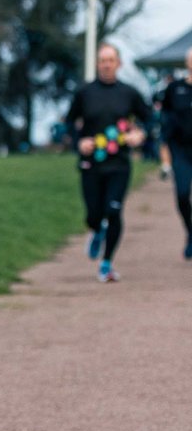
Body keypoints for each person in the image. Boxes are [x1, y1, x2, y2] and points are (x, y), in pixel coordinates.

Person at [66, 43, 151, 282]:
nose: (106, 65)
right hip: (91, 164)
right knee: (94, 214)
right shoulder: (84, 93)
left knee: (113, 211)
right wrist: (79, 142)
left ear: (118, 64)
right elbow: (69, 122)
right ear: (97, 64)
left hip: (119, 163)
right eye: (102, 60)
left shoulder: (129, 93)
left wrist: (140, 135)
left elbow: (149, 119)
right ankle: (95, 230)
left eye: (111, 60)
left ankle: (106, 263)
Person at [159, 48, 192, 259]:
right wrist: (164, 156)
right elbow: (165, 122)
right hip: (181, 150)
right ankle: (190, 231)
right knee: (182, 194)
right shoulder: (175, 89)